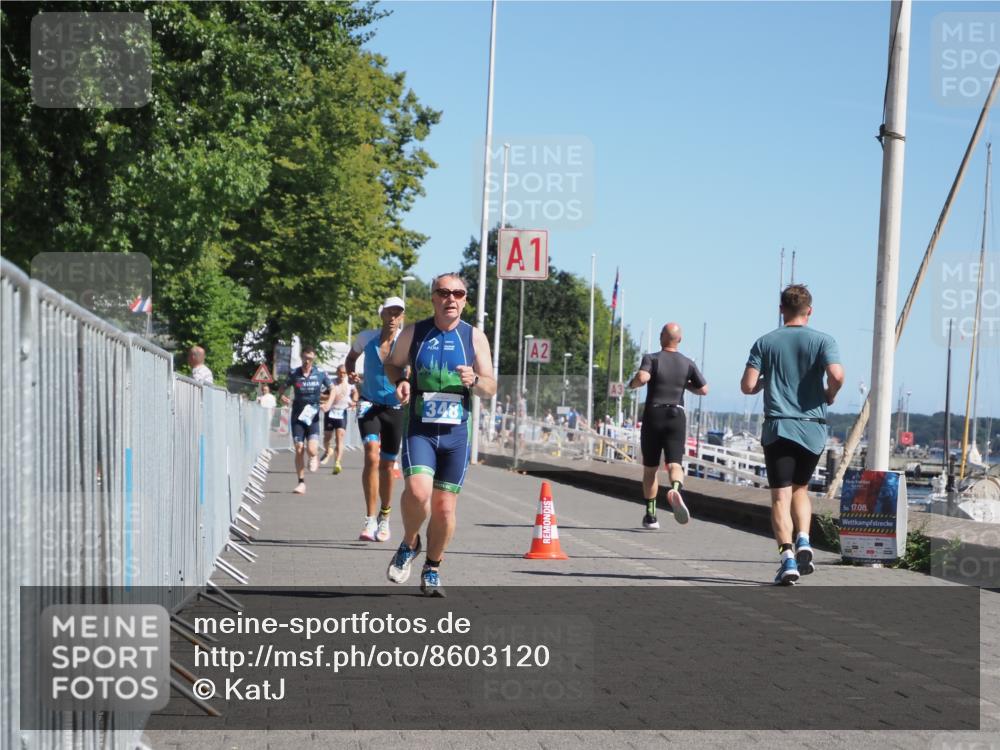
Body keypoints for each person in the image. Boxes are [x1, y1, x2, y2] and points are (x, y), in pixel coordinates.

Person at [383, 273, 496, 597]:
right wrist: (401, 380)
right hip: (420, 428)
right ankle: (409, 542)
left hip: (456, 433)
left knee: (445, 508)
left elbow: (490, 386)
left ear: (464, 300)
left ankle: (432, 567)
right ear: (433, 297)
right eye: (444, 292)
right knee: (418, 493)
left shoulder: (474, 337)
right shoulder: (414, 332)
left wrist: (474, 379)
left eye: (458, 293)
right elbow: (393, 365)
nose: (451, 299)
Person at [740, 284, 844, 585]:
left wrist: (764, 382)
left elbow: (747, 386)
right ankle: (804, 539)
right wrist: (829, 393)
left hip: (779, 427)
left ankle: (787, 558)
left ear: (780, 309)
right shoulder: (824, 341)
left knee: (780, 497)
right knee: (801, 489)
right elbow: (837, 374)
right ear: (809, 310)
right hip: (812, 429)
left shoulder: (765, 342)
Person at [628, 322, 708, 530]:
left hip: (654, 414)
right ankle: (675, 489)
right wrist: (685, 385)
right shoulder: (687, 363)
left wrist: (632, 384)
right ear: (679, 339)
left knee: (650, 469)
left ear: (662, 337)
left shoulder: (652, 358)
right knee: (674, 464)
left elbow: (642, 377)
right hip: (676, 414)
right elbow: (704, 389)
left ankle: (651, 515)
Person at [345, 296, 407, 542]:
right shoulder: (365, 337)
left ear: (401, 316)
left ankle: (385, 516)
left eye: (397, 313)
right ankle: (369, 519)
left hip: (394, 407)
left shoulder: (406, 341)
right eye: (389, 312)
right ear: (381, 313)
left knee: (387, 465)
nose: (392, 317)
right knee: (371, 453)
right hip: (369, 403)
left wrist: (408, 379)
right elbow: (351, 358)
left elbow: (412, 367)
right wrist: (351, 372)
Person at [280, 346, 333, 495]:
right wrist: (282, 396)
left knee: (311, 449)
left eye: (310, 358)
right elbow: (282, 387)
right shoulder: (294, 373)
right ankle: (301, 482)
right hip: (297, 416)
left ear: (313, 358)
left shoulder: (320, 373)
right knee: (298, 449)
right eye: (305, 358)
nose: (307, 361)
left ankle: (314, 456)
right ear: (301, 357)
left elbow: (333, 389)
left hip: (313, 415)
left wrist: (328, 403)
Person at [321, 364, 356, 474]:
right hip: (331, 412)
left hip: (342, 412)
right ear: (337, 372)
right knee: (327, 437)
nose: (342, 375)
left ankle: (337, 463)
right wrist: (331, 397)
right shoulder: (331, 383)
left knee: (339, 438)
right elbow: (321, 395)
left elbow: (355, 393)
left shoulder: (350, 384)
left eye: (344, 373)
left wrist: (354, 401)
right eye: (340, 372)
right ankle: (328, 450)